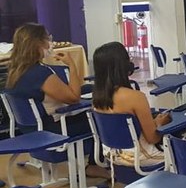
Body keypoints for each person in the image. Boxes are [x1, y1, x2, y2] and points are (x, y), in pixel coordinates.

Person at [5, 23, 108, 178]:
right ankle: (95, 165)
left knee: (89, 89)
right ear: (38, 43)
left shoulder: (15, 71)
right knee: (100, 117)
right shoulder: (40, 73)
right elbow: (73, 98)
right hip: (53, 128)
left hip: (30, 127)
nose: (50, 42)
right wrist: (72, 65)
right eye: (48, 38)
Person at [91, 42, 170, 168]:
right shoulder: (135, 97)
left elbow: (126, 130)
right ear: (123, 65)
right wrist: (161, 123)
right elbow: (153, 138)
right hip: (140, 157)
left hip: (112, 155)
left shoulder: (97, 98)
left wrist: (153, 122)